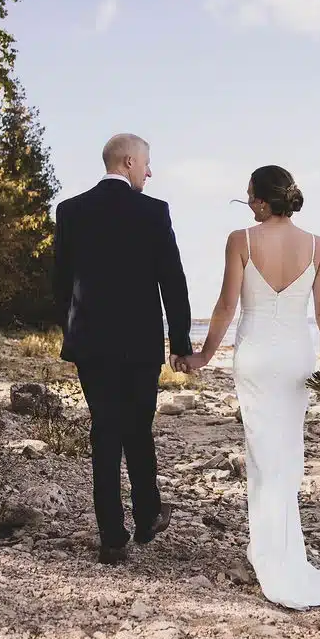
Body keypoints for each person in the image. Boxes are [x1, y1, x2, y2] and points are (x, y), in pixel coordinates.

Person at [185, 165, 320, 610]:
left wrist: (204, 355)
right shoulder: (317, 246)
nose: (247, 204)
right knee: (286, 453)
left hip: (257, 357)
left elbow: (226, 305)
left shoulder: (241, 240)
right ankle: (279, 552)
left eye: (248, 196)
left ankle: (271, 556)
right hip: (297, 358)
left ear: (262, 200)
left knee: (263, 454)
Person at [52, 133, 193, 565]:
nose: (149, 173)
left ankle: (112, 536)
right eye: (147, 164)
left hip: (90, 343)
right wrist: (181, 342)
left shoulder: (71, 210)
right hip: (140, 344)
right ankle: (148, 514)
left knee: (105, 429)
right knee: (138, 426)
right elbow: (173, 281)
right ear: (129, 162)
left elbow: (59, 282)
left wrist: (71, 329)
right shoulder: (153, 212)